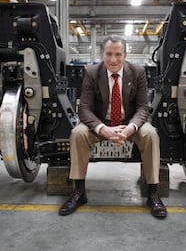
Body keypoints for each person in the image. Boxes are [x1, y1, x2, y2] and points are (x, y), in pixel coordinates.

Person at [58, 35, 167, 219]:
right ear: (103, 54)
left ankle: (153, 194)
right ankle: (78, 192)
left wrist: (129, 129)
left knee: (150, 134)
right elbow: (84, 108)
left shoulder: (137, 72)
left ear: (125, 54)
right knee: (77, 133)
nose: (113, 59)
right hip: (101, 123)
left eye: (118, 54)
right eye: (109, 54)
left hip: (130, 123)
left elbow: (143, 107)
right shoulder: (92, 72)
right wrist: (103, 129)